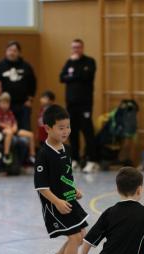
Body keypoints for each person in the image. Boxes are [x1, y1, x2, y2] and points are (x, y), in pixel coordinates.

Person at [34, 104, 90, 254]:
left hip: (68, 200)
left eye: (68, 126)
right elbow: (41, 187)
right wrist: (57, 202)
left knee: (81, 234)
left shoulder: (66, 149)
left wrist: (73, 189)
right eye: (61, 127)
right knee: (75, 237)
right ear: (47, 128)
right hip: (54, 205)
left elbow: (65, 174)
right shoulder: (43, 154)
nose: (66, 131)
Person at [59, 38, 98, 173]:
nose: (76, 50)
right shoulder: (69, 62)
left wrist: (72, 74)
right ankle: (74, 159)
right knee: (72, 132)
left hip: (85, 104)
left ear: (82, 48)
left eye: (78, 47)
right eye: (74, 47)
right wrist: (74, 74)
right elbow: (62, 78)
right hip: (71, 104)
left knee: (87, 131)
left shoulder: (89, 61)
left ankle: (92, 160)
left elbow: (86, 76)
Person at [0, 40, 37, 130]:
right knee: (7, 130)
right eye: (9, 50)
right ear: (6, 52)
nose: (12, 52)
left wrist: (30, 99)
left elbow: (33, 83)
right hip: (4, 105)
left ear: (19, 52)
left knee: (25, 130)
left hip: (23, 104)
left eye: (14, 50)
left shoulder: (26, 67)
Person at [0, 92, 36, 165]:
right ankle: (6, 154)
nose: (5, 105)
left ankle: (32, 155)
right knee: (9, 133)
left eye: (7, 103)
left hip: (13, 129)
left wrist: (14, 127)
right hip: (3, 131)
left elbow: (14, 122)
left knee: (31, 134)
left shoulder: (10, 112)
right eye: (3, 103)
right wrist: (8, 127)